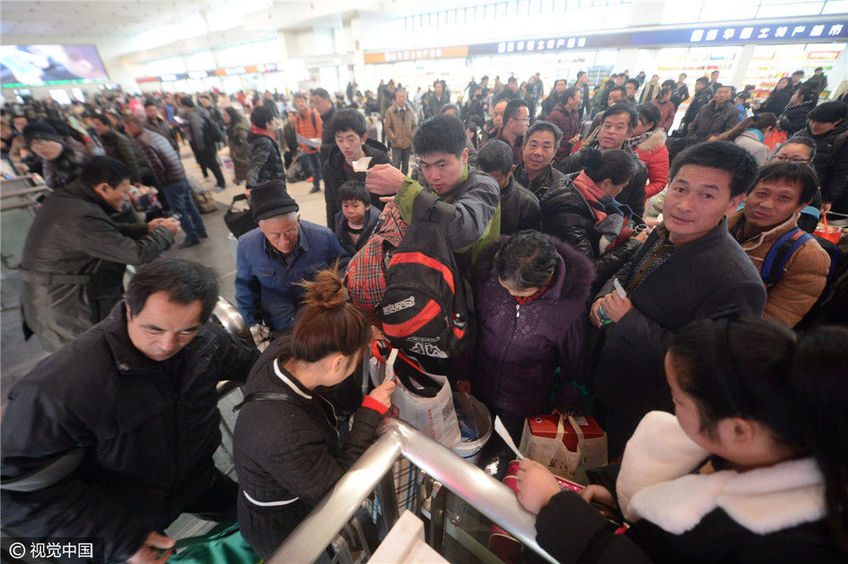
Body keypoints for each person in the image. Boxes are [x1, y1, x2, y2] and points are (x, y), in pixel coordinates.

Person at [516, 316, 848, 563]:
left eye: (678, 399)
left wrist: (552, 506)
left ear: (738, 430)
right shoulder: (763, 451)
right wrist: (621, 501)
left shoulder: (789, 547)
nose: (670, 406)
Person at [2, 258, 260, 564]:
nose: (167, 345)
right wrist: (119, 541)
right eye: (154, 329)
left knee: (256, 519)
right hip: (115, 514)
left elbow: (256, 368)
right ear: (128, 308)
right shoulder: (60, 388)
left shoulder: (206, 343)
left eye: (186, 331)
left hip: (195, 480)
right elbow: (13, 492)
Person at [590, 141, 767, 456]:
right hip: (607, 378)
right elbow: (630, 272)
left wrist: (628, 320)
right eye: (680, 188)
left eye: (707, 195)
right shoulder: (665, 232)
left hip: (648, 409)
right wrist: (602, 300)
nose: (684, 205)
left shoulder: (737, 281)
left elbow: (706, 366)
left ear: (734, 203)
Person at [233, 268, 396, 559]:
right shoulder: (284, 433)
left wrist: (363, 334)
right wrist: (369, 413)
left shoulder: (284, 350)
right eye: (356, 361)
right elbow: (335, 488)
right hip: (285, 530)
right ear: (337, 364)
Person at [20, 156, 178, 352]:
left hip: (54, 300)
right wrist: (164, 233)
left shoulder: (65, 199)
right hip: (66, 310)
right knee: (92, 360)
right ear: (104, 188)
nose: (127, 197)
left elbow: (102, 232)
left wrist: (145, 228)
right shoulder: (81, 214)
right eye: (125, 191)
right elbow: (136, 254)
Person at [471, 230, 594, 440]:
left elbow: (575, 361)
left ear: (545, 282)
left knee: (507, 446)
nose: (510, 295)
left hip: (525, 399)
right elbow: (471, 324)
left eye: (520, 292)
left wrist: (568, 401)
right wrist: (462, 371)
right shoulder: (487, 276)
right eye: (504, 286)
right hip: (479, 382)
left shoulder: (569, 308)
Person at [366, 114, 500, 277]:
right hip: (439, 280)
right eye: (426, 166)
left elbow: (460, 233)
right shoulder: (435, 185)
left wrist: (405, 188)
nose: (434, 176)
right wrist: (404, 205)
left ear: (464, 156)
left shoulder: (485, 186)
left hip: (472, 285)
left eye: (442, 165)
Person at [236, 181, 347, 335]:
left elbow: (344, 265)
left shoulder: (323, 237)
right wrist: (252, 323)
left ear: (299, 220)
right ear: (261, 229)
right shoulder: (246, 246)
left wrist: (338, 285)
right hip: (279, 325)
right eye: (275, 235)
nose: (285, 241)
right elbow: (245, 289)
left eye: (290, 231)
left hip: (321, 321)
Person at [728, 163, 831, 327]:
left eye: (784, 198)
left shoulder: (806, 256)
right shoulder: (711, 224)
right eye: (762, 193)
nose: (766, 204)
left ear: (801, 205)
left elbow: (770, 323)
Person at [540, 149, 642, 294]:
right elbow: (587, 270)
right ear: (606, 184)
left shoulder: (581, 185)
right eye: (622, 186)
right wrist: (634, 244)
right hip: (562, 288)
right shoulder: (568, 212)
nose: (620, 191)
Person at [123, 115, 208, 248]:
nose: (125, 130)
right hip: (179, 174)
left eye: (126, 127)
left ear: (132, 125)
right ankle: (201, 230)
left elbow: (156, 165)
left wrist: (162, 183)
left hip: (171, 180)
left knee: (179, 211)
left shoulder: (143, 140)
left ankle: (192, 236)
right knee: (189, 206)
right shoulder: (152, 135)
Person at [558, 104, 649, 221]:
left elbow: (635, 211)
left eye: (619, 127)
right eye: (607, 125)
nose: (610, 131)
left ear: (629, 133)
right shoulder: (581, 157)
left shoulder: (636, 169)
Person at [322, 109, 390, 224]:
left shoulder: (380, 162)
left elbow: (392, 198)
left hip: (378, 226)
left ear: (363, 138)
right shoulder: (331, 167)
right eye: (340, 140)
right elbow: (331, 204)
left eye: (351, 139)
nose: (345, 146)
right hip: (348, 228)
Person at [793, 101, 848, 214]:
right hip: (792, 184)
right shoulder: (802, 133)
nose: (814, 126)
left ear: (837, 121)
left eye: (821, 123)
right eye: (812, 121)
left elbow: (840, 171)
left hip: (816, 193)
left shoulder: (842, 140)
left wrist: (827, 199)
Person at [477, 139, 540, 235]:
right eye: (481, 178)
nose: (486, 185)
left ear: (511, 170)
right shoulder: (468, 187)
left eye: (495, 181)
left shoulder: (526, 204)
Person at [181, 95, 226, 190]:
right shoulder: (200, 110)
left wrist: (200, 147)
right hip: (210, 141)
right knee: (212, 163)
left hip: (205, 143)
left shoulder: (194, 115)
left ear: (185, 106)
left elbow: (198, 133)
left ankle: (221, 183)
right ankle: (219, 182)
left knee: (212, 163)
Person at [513, 121, 565, 199]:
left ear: (554, 152)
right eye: (533, 145)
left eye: (546, 147)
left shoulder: (560, 186)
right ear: (523, 148)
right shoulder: (509, 175)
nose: (538, 153)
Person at [629, 103, 670, 201]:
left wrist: (636, 194)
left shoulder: (656, 149)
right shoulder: (621, 136)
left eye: (637, 119)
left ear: (649, 125)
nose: (630, 122)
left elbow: (659, 182)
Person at [334, 180, 380, 255]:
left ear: (367, 206)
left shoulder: (378, 222)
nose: (350, 211)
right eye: (346, 206)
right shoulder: (340, 221)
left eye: (355, 206)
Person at [246, 105, 285, 191]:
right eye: (273, 119)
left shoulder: (256, 137)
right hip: (270, 188)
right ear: (268, 124)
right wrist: (250, 186)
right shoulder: (265, 142)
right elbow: (255, 166)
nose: (275, 122)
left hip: (269, 185)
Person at [294, 93, 324, 193]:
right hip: (307, 147)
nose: (300, 103)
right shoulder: (297, 117)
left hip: (317, 146)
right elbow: (297, 133)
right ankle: (316, 185)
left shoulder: (313, 114)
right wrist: (304, 145)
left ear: (306, 102)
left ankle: (327, 186)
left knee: (322, 167)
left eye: (302, 101)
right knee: (313, 168)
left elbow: (320, 129)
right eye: (298, 102)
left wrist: (318, 142)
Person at [545, 86, 582, 162]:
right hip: (556, 158)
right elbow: (548, 139)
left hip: (569, 156)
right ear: (570, 99)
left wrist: (576, 136)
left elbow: (576, 130)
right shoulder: (555, 115)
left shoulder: (575, 114)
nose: (580, 100)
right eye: (578, 97)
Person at [384, 88, 416, 175]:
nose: (401, 99)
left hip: (407, 143)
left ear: (406, 98)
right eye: (399, 97)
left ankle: (404, 185)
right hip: (396, 144)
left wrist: (411, 136)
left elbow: (414, 125)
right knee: (396, 166)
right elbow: (387, 127)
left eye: (403, 97)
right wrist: (393, 137)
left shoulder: (410, 111)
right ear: (395, 99)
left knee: (406, 167)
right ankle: (395, 186)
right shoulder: (390, 111)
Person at [494, 98, 530, 165]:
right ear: (511, 123)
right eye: (525, 119)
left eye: (528, 119)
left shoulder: (527, 145)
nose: (528, 123)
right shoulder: (493, 148)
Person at [224, 106, 250, 185]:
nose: (224, 117)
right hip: (237, 152)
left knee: (246, 170)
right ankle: (239, 178)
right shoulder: (233, 124)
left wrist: (237, 153)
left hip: (242, 155)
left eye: (225, 115)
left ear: (231, 115)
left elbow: (245, 143)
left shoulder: (239, 128)